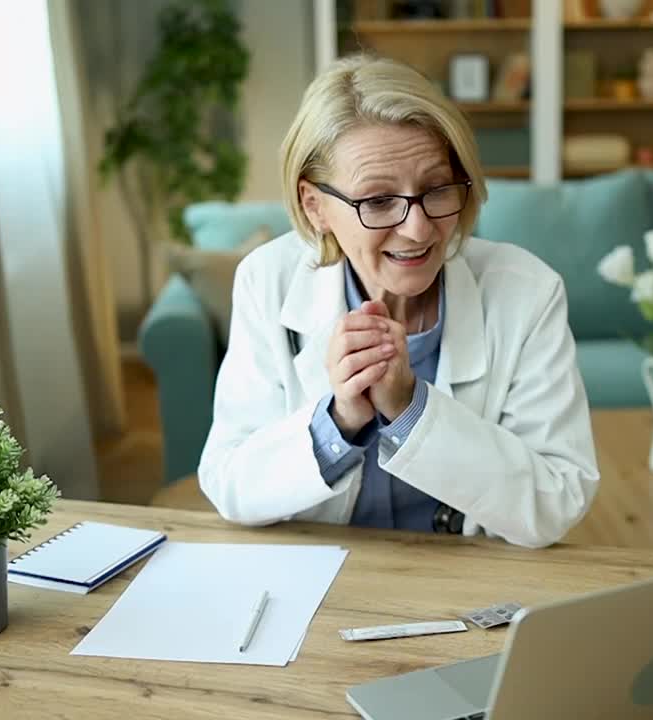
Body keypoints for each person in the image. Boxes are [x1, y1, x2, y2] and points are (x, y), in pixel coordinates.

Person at [198, 55, 598, 549]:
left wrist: (410, 409)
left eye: (436, 189)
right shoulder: (267, 281)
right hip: (319, 578)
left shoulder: (527, 291)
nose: (418, 228)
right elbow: (229, 484)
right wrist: (339, 421)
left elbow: (557, 500)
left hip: (472, 581)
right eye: (378, 200)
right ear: (314, 205)